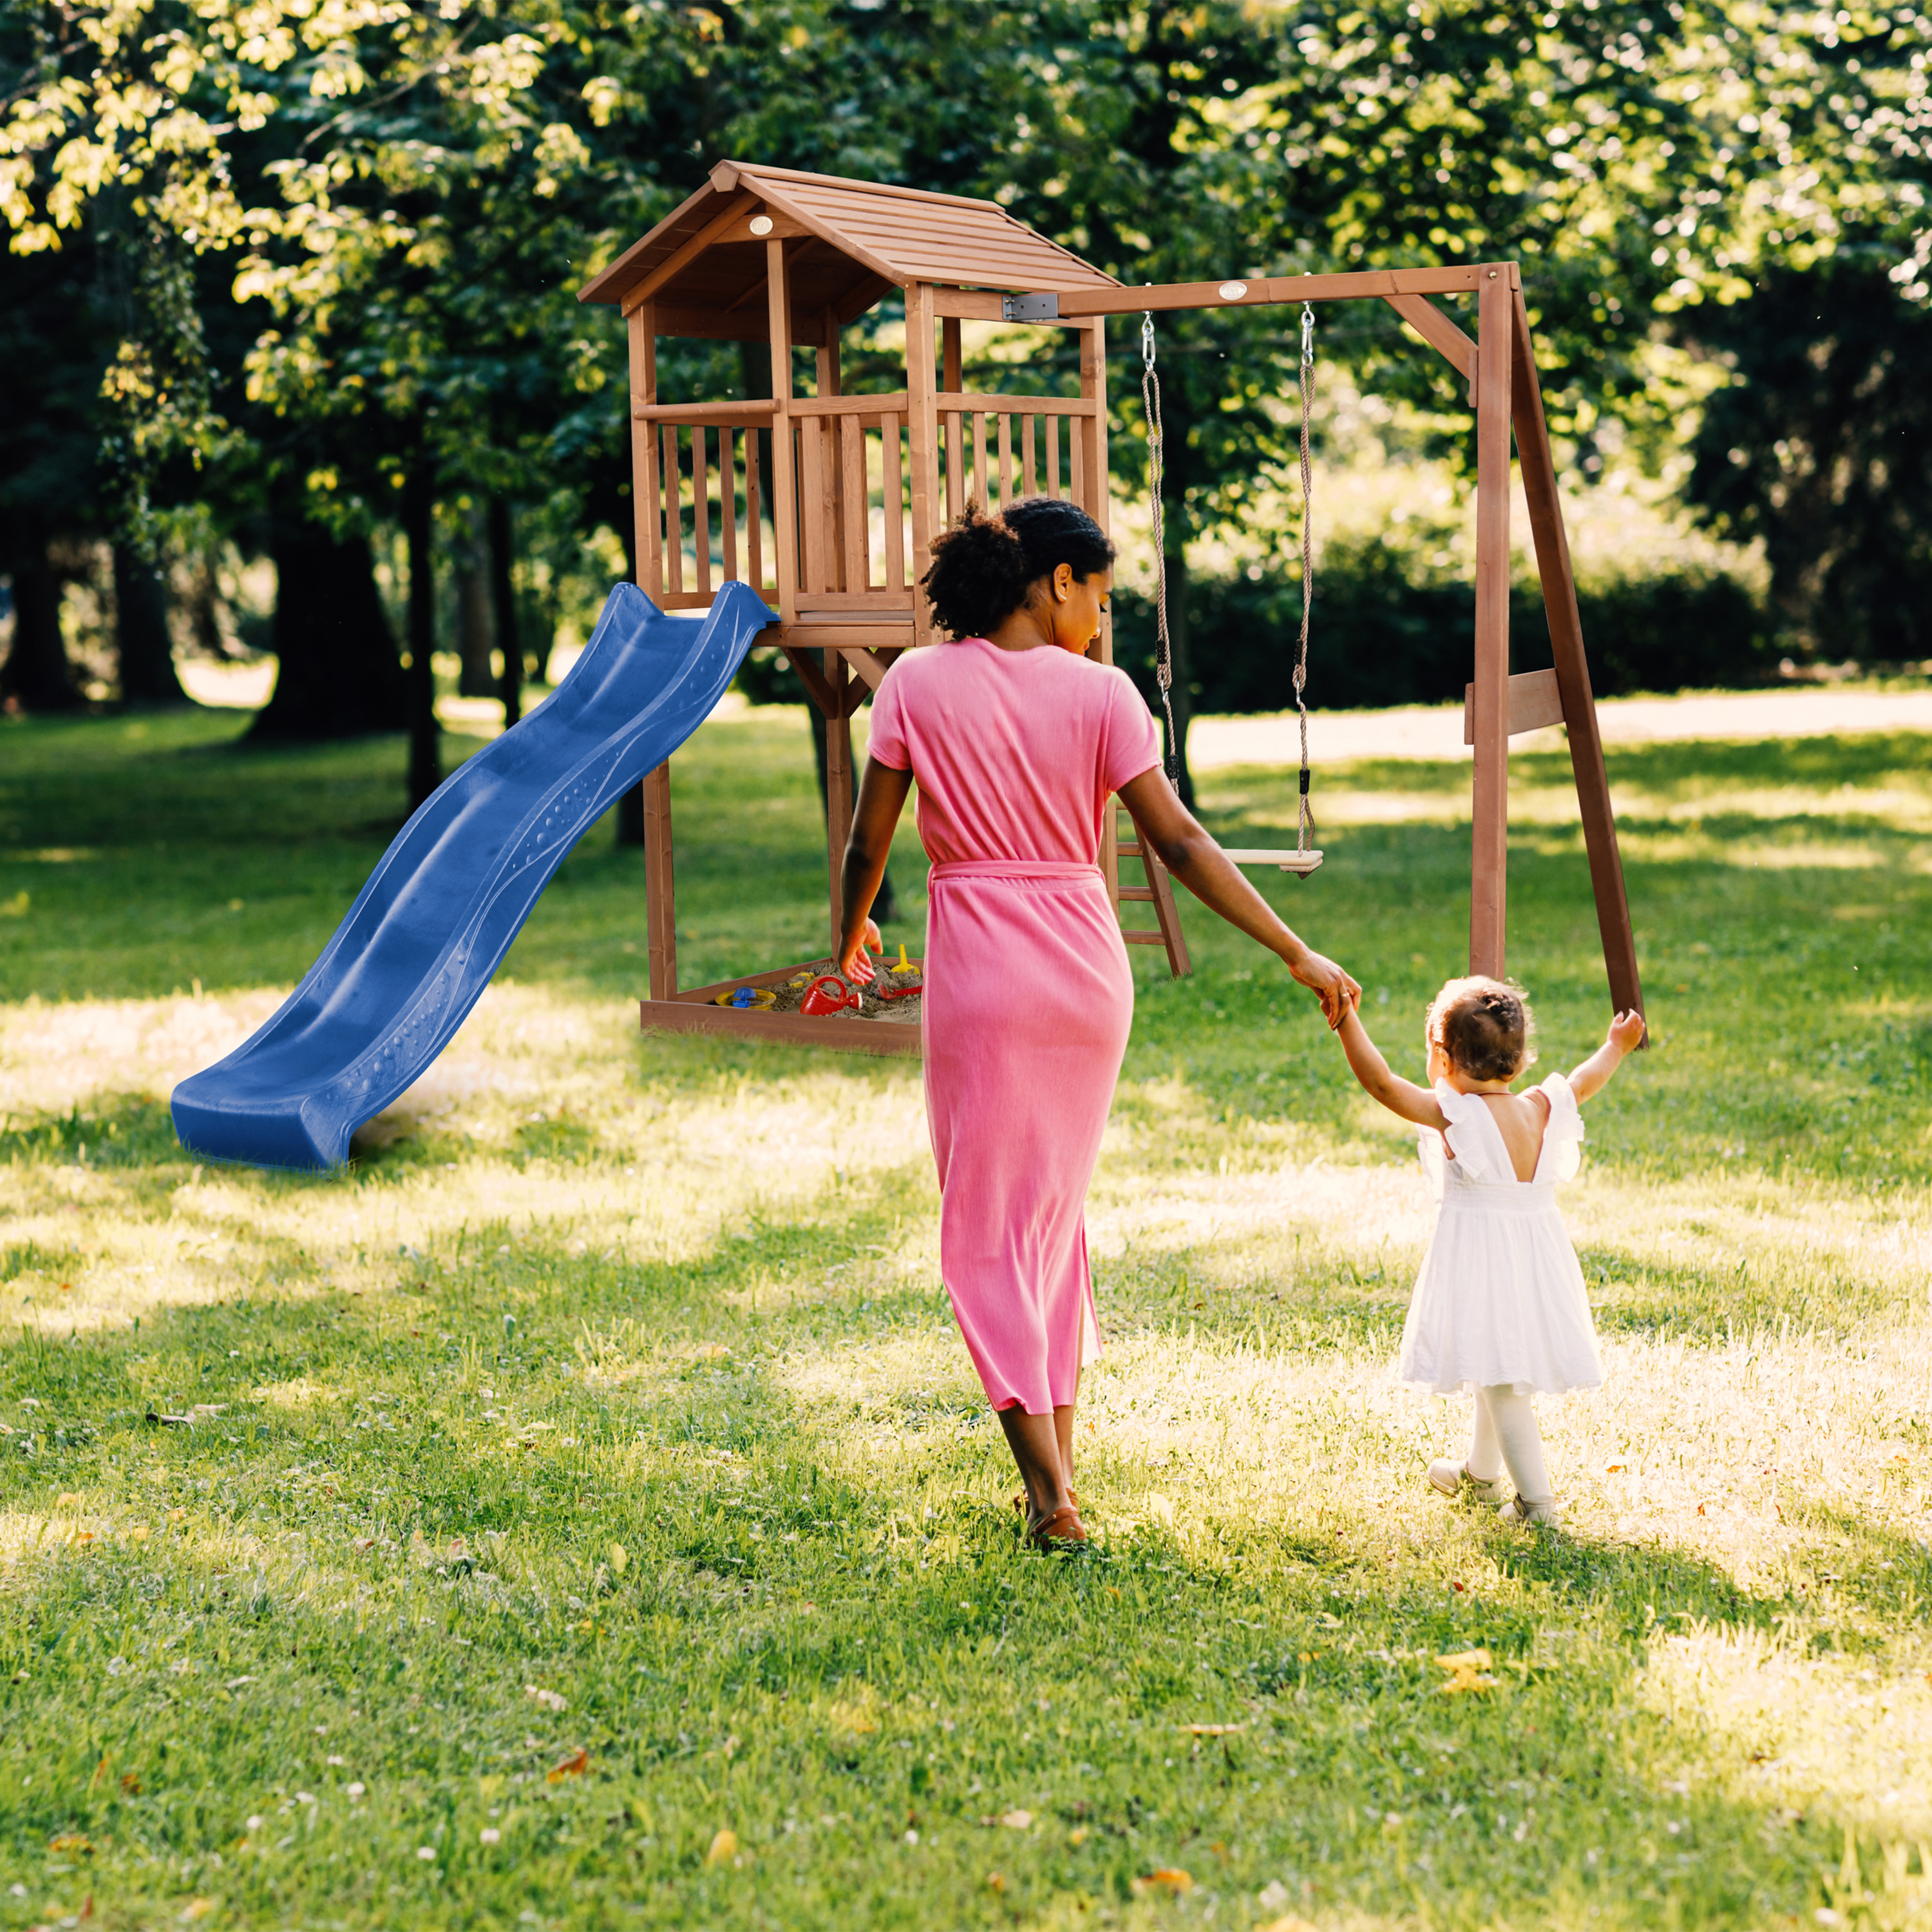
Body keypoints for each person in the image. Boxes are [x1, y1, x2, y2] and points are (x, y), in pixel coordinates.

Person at [837, 498, 1359, 1549]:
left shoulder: (914, 685)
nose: (1103, 623)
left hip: (983, 973)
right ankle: (1058, 1477)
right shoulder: (1106, 696)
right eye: (1101, 598)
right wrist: (1293, 948)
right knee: (1048, 1224)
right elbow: (1179, 843)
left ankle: (1048, 1496)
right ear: (1057, 581)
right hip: (1085, 974)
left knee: (987, 1233)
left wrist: (846, 939)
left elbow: (868, 843)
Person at [1330, 974, 1646, 1525]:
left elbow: (1381, 1084)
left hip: (1484, 1263)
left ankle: (1537, 1506)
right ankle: (1480, 1475)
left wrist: (1345, 1019)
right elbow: (1584, 1079)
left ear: (1443, 1058)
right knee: (1490, 1362)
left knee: (1502, 1384)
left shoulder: (1457, 1116)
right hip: (1535, 1261)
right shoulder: (1541, 1106)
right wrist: (1615, 1046)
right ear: (1519, 1062)